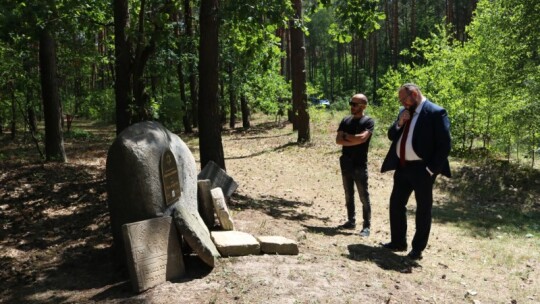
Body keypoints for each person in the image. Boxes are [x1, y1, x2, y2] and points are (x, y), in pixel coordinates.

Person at [380, 83, 451, 260]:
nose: (403, 103)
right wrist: (399, 123)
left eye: (404, 99)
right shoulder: (404, 112)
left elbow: (445, 145)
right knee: (396, 204)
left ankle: (417, 249)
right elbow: (391, 135)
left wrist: (430, 170)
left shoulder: (435, 112)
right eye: (401, 100)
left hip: (423, 170)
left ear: (414, 93)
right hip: (403, 167)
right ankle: (398, 242)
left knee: (423, 209)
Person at [336, 93, 375, 237]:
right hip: (346, 162)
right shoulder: (345, 120)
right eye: (351, 103)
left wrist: (347, 137)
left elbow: (362, 139)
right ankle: (351, 221)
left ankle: (366, 226)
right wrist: (352, 139)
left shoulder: (368, 121)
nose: (351, 106)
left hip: (359, 164)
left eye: (354, 104)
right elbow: (338, 140)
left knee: (363, 195)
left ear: (363, 106)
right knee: (348, 194)